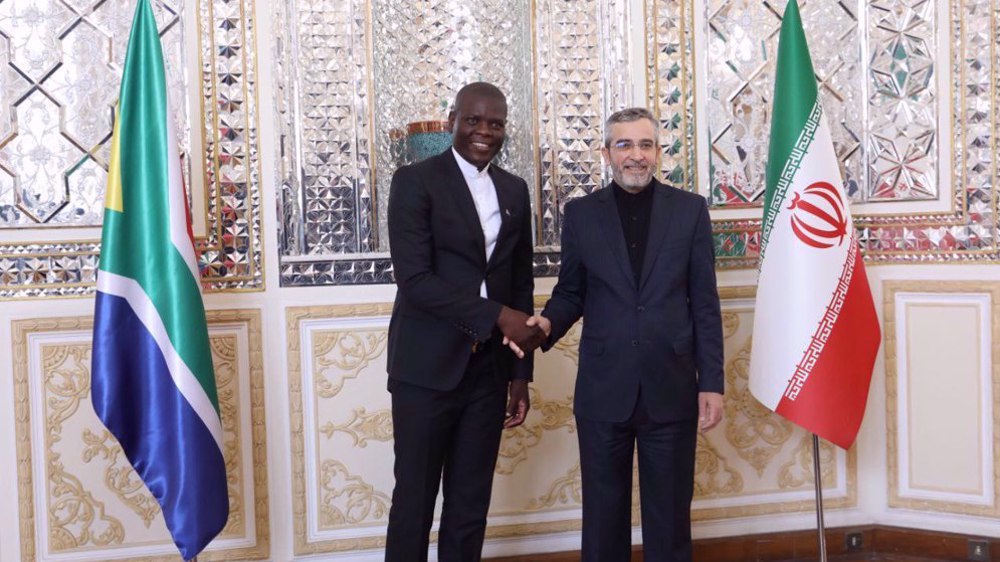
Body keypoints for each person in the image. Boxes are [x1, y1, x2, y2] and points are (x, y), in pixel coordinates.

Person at [508, 107, 724, 562]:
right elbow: (571, 292)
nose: (636, 156)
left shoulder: (689, 211)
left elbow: (705, 304)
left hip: (672, 387)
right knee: (603, 522)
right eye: (624, 145)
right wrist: (546, 325)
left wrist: (712, 384)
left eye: (645, 145)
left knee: (669, 521)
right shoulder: (583, 215)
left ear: (658, 153)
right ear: (607, 153)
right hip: (604, 390)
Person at [384, 82, 546, 562]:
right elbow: (415, 280)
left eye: (495, 123)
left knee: (470, 503)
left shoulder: (514, 189)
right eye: (474, 120)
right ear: (453, 119)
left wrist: (520, 376)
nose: (484, 131)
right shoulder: (414, 181)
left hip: (489, 372)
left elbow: (519, 282)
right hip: (424, 369)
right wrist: (497, 316)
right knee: (414, 501)